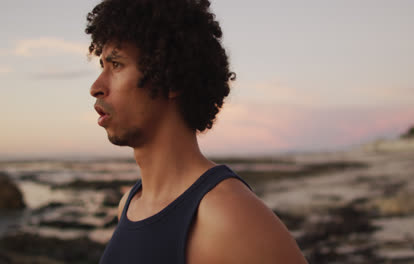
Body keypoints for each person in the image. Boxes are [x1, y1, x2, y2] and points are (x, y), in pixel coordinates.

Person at [86, 0, 307, 263]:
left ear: (170, 78)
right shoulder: (129, 206)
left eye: (117, 65)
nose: (96, 87)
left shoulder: (226, 213)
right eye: (102, 67)